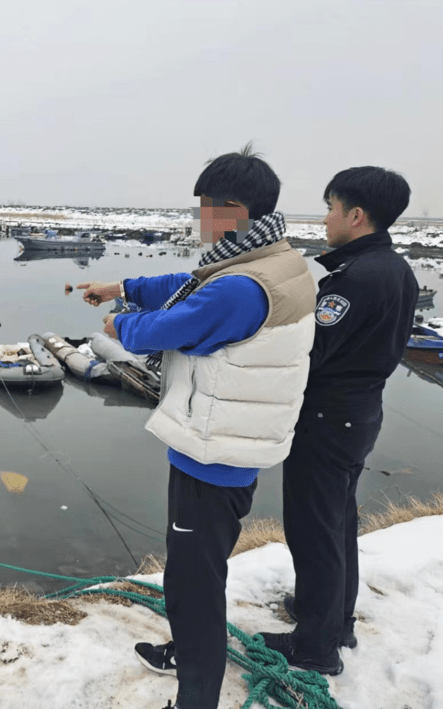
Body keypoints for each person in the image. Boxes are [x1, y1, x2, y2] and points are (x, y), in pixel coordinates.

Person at [78, 145, 316, 709]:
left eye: (204, 209)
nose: (198, 221)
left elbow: (166, 327)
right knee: (196, 571)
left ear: (231, 208)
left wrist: (120, 320)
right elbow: (190, 285)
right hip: (230, 443)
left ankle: (196, 695)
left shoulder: (241, 287)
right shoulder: (270, 259)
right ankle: (187, 653)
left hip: (213, 455)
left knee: (194, 584)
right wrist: (125, 286)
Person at [258, 167, 417, 675]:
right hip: (358, 414)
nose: (325, 219)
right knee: (338, 523)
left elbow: (313, 349)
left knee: (314, 532)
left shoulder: (356, 280)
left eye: (330, 207)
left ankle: (315, 647)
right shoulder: (395, 269)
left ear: (355, 215)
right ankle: (329, 618)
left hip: (327, 420)